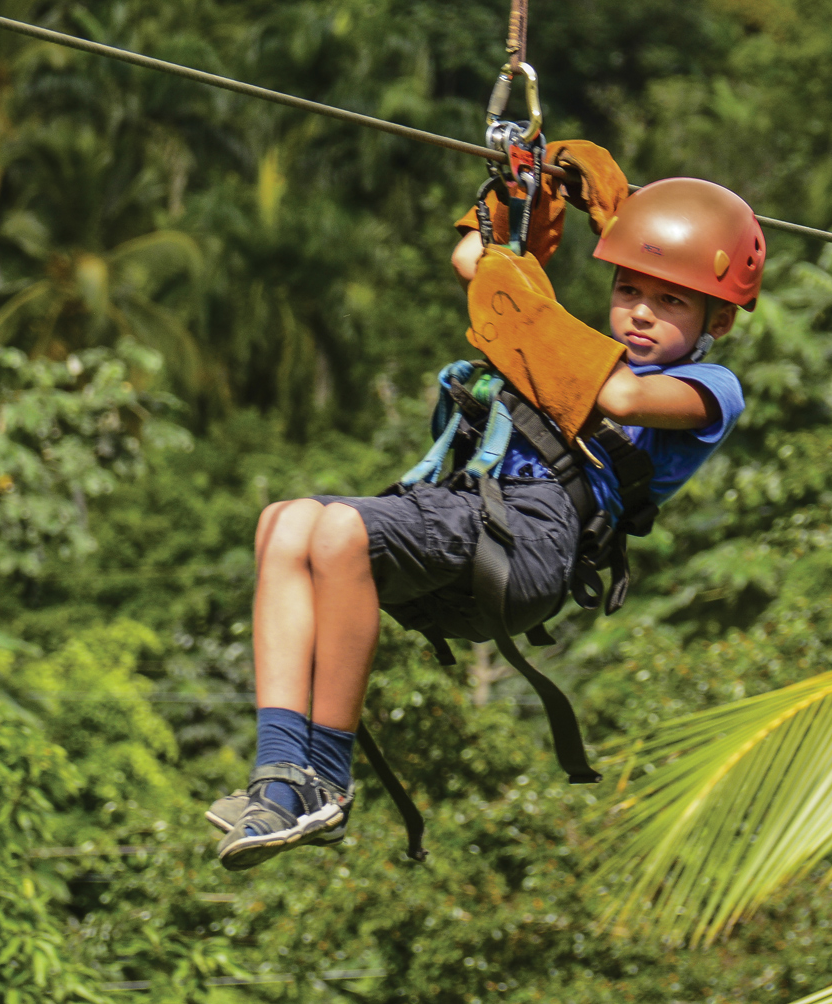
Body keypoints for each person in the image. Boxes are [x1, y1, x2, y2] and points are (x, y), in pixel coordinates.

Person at [206, 146, 763, 870]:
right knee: (283, 522)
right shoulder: (562, 342)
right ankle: (280, 775)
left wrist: (518, 290)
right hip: (470, 506)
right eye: (628, 290)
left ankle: (329, 782)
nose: (641, 314)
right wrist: (525, 187)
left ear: (716, 317)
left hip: (535, 542)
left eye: (672, 301)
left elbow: (619, 396)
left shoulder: (710, 386)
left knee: (341, 527)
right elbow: (474, 259)